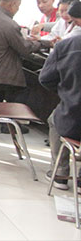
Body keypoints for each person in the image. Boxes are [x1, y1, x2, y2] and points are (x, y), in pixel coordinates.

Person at [40, 34, 81, 191]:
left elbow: (45, 79)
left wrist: (67, 93)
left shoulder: (66, 45)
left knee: (55, 119)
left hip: (72, 117)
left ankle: (60, 173)